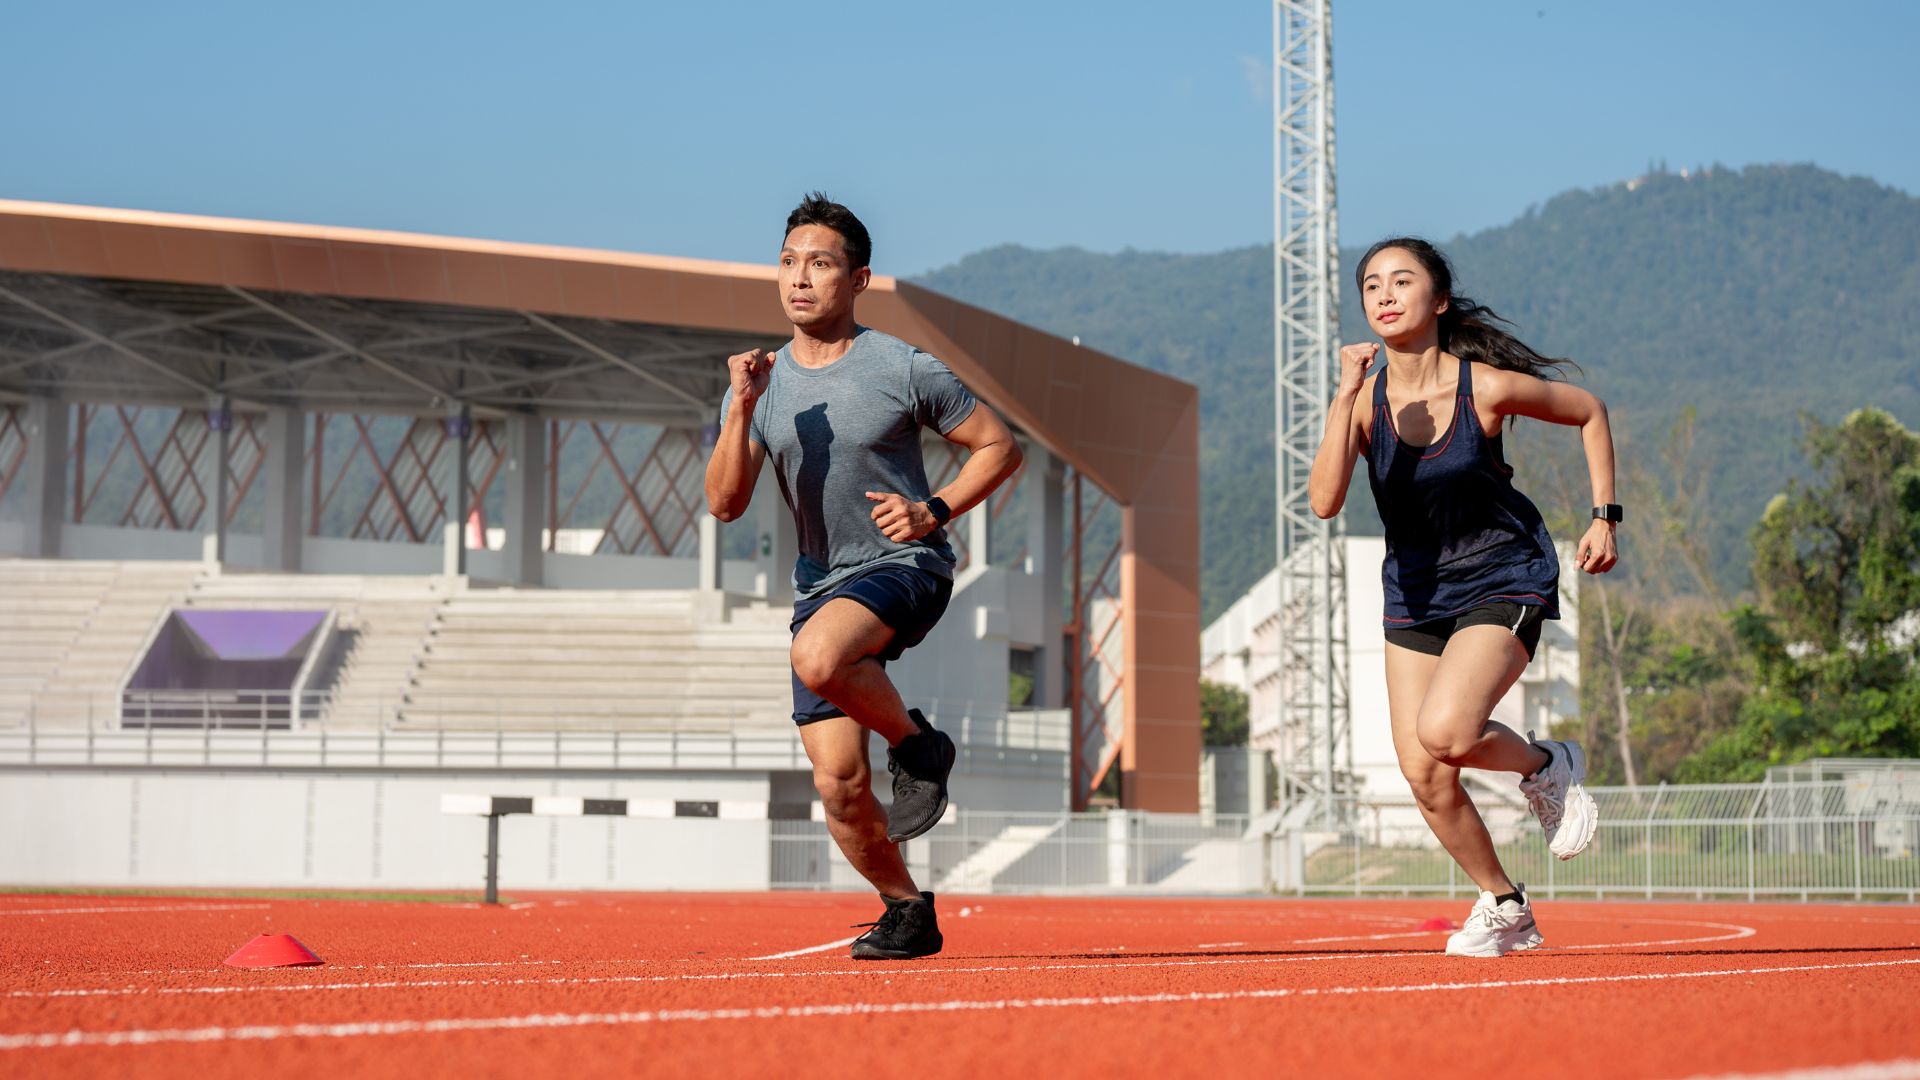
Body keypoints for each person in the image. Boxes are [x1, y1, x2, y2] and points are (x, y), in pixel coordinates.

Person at [705, 193, 1022, 960]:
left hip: (905, 563)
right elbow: (724, 502)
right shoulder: (758, 385)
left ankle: (919, 748)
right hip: (822, 584)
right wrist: (740, 411)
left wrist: (933, 509)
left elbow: (999, 445)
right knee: (841, 789)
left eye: (819, 263)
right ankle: (907, 909)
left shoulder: (902, 366)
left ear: (859, 280)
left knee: (816, 655)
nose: (798, 278)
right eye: (788, 262)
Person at [1309, 237, 1617, 958]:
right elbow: (1324, 501)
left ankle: (1545, 768)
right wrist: (1346, 392)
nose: (1384, 295)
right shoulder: (1363, 404)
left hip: (1502, 575)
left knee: (1445, 732)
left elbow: (1590, 411)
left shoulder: (1487, 387)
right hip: (1415, 592)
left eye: (1402, 281)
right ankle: (1505, 904)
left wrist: (1606, 516)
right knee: (1423, 770)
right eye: (1371, 285)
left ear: (1438, 300)